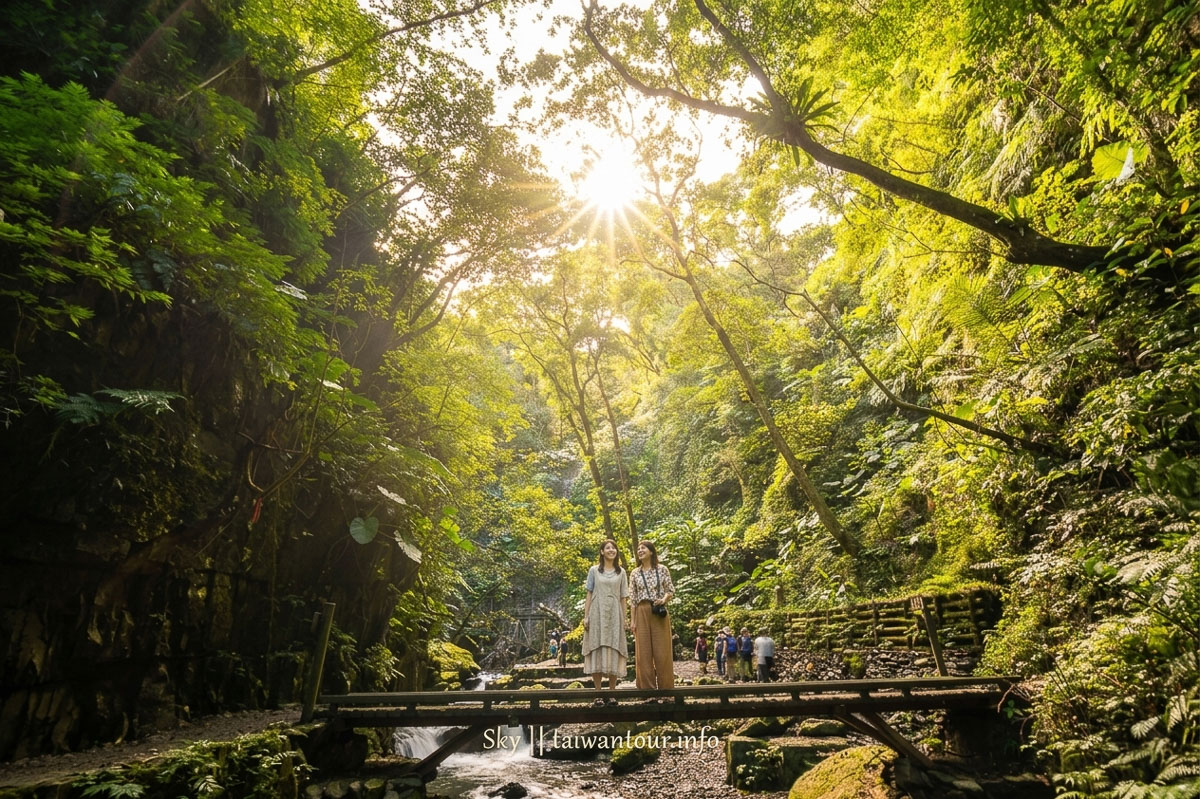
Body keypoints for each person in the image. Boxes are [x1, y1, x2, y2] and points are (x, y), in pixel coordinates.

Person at [582, 539, 629, 706]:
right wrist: (586, 616)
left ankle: (612, 693)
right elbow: (589, 593)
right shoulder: (594, 571)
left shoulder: (621, 572)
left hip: (615, 613)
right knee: (597, 648)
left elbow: (624, 597)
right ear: (602, 552)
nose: (611, 550)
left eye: (614, 548)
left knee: (614, 647)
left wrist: (625, 618)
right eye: (607, 548)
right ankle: (598, 693)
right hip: (597, 611)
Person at [629, 540, 675, 695]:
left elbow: (670, 590)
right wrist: (633, 621)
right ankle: (647, 691)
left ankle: (666, 689)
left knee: (663, 651)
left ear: (651, 551)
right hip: (641, 610)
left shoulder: (662, 569)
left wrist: (664, 599)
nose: (640, 550)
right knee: (643, 652)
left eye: (643, 548)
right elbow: (633, 599)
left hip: (659, 610)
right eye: (638, 549)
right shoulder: (635, 573)